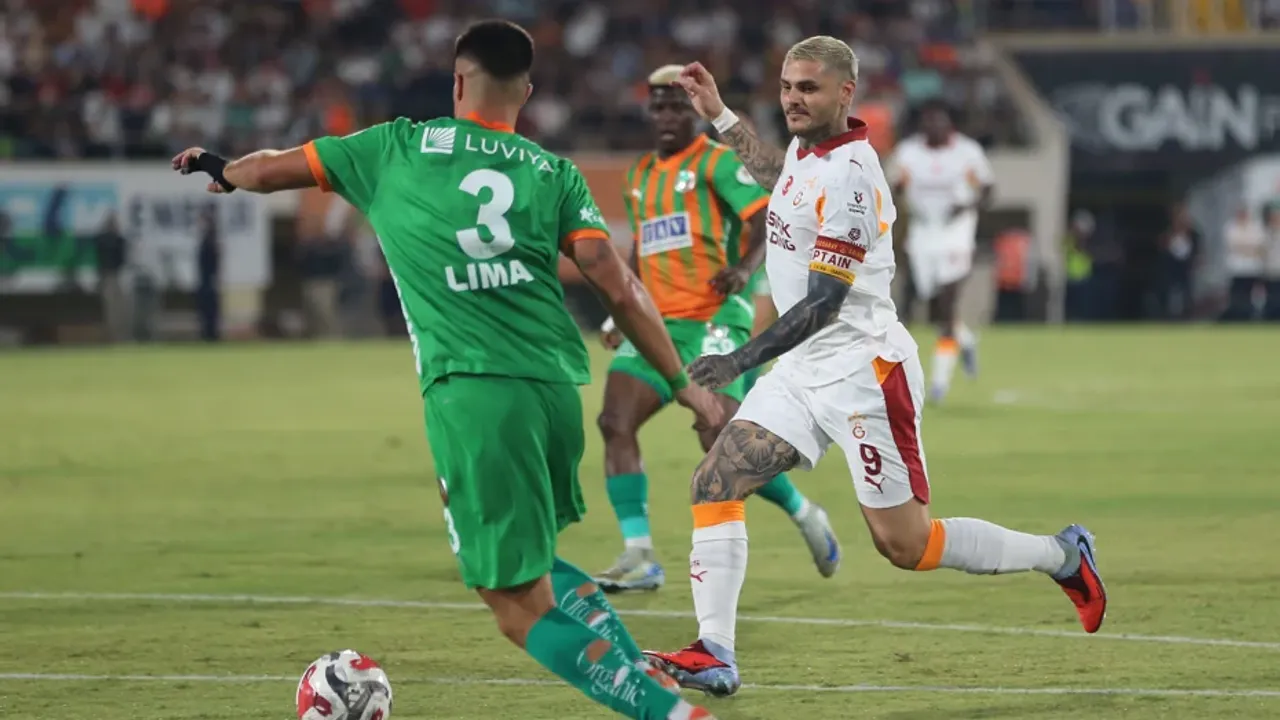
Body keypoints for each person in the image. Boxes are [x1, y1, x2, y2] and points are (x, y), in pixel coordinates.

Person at [172, 19, 721, 720]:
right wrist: (681, 383)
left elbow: (272, 168)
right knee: (533, 561)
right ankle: (642, 674)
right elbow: (619, 285)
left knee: (514, 606)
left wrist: (223, 169)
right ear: (526, 92)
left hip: (474, 393)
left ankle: (667, 713)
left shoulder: (392, 147)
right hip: (556, 392)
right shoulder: (553, 173)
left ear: (457, 81)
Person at [643, 37, 1107, 698]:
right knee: (715, 481)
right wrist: (719, 114)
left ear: (845, 93)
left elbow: (824, 304)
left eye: (808, 88)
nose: (793, 99)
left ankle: (1061, 554)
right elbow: (779, 177)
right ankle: (714, 651)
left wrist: (739, 359)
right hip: (802, 370)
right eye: (787, 86)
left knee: (906, 546)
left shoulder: (853, 177)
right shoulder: (809, 150)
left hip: (865, 375)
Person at [594, 66, 839, 593]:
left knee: (720, 440)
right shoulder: (639, 176)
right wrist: (620, 312)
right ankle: (639, 555)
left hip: (713, 322)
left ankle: (802, 511)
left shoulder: (718, 163)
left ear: (694, 113)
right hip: (657, 325)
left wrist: (745, 271)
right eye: (658, 107)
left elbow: (765, 218)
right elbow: (641, 250)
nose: (666, 116)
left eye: (676, 107)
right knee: (614, 420)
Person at [886, 99, 993, 404]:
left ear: (950, 126)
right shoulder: (908, 152)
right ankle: (966, 340)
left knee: (947, 302)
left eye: (939, 122)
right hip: (923, 232)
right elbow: (894, 187)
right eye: (928, 123)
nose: (933, 128)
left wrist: (967, 205)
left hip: (956, 233)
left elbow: (988, 189)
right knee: (934, 306)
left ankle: (938, 384)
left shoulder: (968, 152)